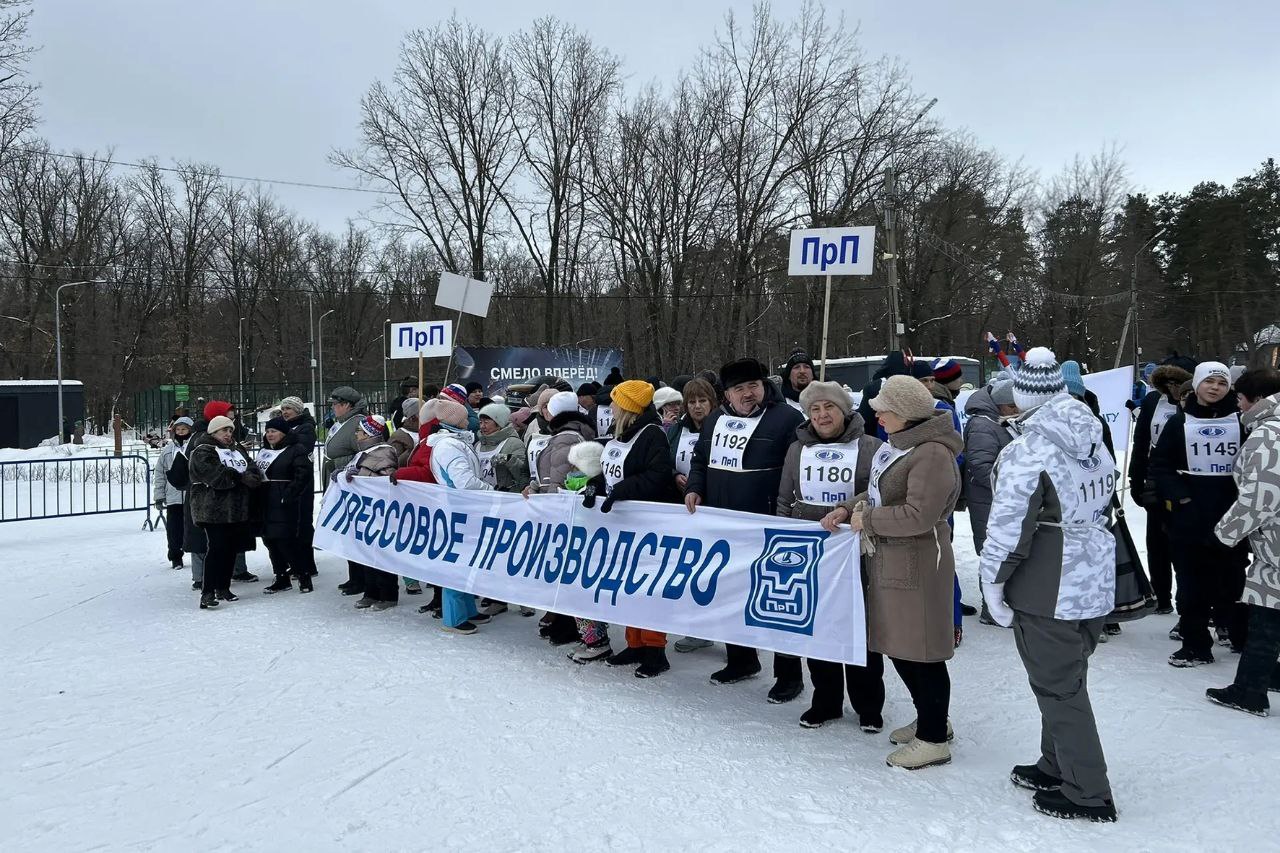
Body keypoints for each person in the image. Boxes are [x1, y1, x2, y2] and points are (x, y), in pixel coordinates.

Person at [980, 348, 1118, 822]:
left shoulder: (1028, 449)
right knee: (1065, 679)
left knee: (1060, 688)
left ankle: (1088, 791)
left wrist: (992, 584)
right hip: (1093, 577)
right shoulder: (1093, 436)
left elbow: (1007, 528)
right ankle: (1056, 762)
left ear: (1021, 395)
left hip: (1049, 581)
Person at [820, 375, 961, 769]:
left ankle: (934, 738)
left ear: (904, 412)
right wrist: (849, 508)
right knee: (903, 648)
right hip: (893, 561)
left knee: (922, 653)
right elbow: (880, 492)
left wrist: (867, 520)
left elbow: (921, 515)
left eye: (883, 410)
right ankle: (932, 719)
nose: (877, 415)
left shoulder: (931, 453)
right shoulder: (900, 446)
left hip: (917, 564)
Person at [686, 357, 805, 694]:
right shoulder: (714, 421)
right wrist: (695, 487)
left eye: (753, 385)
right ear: (727, 395)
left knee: (777, 600)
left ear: (764, 385)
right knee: (731, 594)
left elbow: (798, 468)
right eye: (740, 388)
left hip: (769, 524)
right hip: (723, 524)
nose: (749, 393)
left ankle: (789, 674)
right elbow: (700, 460)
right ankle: (741, 659)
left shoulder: (786, 418)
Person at [777, 381, 883, 730]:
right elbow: (784, 498)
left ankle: (868, 704)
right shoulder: (796, 449)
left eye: (830, 408)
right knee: (819, 625)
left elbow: (882, 489)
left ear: (845, 411)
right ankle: (825, 701)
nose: (822, 415)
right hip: (813, 550)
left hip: (856, 548)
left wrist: (849, 509)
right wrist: (784, 537)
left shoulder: (870, 447)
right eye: (815, 410)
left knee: (858, 625)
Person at [1150, 361, 1250, 665]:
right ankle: (1195, 643)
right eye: (1210, 382)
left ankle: (1237, 633)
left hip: (1232, 512)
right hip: (1190, 514)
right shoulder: (1178, 422)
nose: (1215, 388)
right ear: (1196, 386)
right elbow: (1161, 465)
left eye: (1221, 383)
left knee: (1233, 578)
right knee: (1192, 580)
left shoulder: (1243, 421)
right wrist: (1180, 498)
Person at [580, 380, 679, 673]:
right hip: (622, 524)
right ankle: (635, 644)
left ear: (628, 407)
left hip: (647, 524)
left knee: (647, 587)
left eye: (615, 401)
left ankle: (655, 650)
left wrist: (621, 491)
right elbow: (611, 472)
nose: (610, 406)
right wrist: (593, 485)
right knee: (627, 586)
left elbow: (658, 475)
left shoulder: (652, 435)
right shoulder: (619, 432)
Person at [1206, 368, 1280, 716]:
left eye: (1240, 398)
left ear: (1256, 400)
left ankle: (1249, 691)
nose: (1237, 405)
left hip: (1276, 548)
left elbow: (1261, 496)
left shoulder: (1269, 434)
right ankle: (1268, 676)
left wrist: (1224, 535)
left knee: (1267, 617)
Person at [395, 399, 495, 633]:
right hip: (456, 510)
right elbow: (464, 482)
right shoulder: (448, 445)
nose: (469, 421)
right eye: (463, 418)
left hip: (465, 510)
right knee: (456, 564)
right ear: (454, 422)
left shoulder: (455, 442)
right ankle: (454, 617)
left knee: (468, 560)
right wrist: (492, 493)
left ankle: (468, 608)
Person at [529, 390, 604, 648]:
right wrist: (534, 486)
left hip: (564, 514)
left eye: (548, 409)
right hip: (568, 512)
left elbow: (556, 479)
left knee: (569, 571)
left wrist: (548, 506)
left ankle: (577, 629)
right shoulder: (573, 433)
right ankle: (565, 623)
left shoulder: (565, 438)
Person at [1128, 359, 1194, 614]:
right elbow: (1141, 441)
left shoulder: (1193, 404)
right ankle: (1161, 596)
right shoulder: (1153, 401)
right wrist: (1136, 479)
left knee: (1183, 544)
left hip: (1185, 480)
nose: (1172, 389)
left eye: (1177, 383)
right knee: (1156, 543)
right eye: (1167, 383)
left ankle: (1188, 601)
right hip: (1155, 478)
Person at [665, 376, 719, 655]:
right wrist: (675, 475)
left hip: (715, 506)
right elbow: (665, 458)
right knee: (690, 568)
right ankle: (698, 629)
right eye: (692, 402)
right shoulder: (677, 430)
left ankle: (734, 636)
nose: (698, 407)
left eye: (703, 401)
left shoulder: (722, 424)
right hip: (682, 508)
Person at [188, 414, 264, 609]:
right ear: (213, 432)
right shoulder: (203, 450)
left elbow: (252, 467)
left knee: (231, 548)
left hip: (236, 509)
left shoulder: (236, 449)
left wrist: (251, 476)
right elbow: (216, 477)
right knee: (217, 548)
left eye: (230, 430)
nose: (228, 434)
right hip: (212, 509)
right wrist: (241, 477)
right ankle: (208, 591)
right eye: (224, 430)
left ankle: (224, 587)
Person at [962, 379, 1019, 624]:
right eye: (1012, 407)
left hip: (1000, 500)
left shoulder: (998, 421)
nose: (1016, 412)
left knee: (1006, 552)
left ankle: (1003, 604)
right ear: (999, 404)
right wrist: (1014, 487)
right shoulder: (983, 425)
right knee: (992, 552)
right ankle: (991, 609)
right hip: (988, 501)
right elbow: (980, 465)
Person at [340, 415, 401, 610]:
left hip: (380, 512)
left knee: (381, 553)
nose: (356, 434)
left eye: (359, 431)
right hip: (364, 511)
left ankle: (388, 594)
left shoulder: (384, 452)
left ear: (369, 434)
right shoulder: (364, 452)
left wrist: (357, 476)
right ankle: (371, 592)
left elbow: (385, 480)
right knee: (365, 553)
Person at [256, 416, 314, 594]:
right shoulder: (264, 450)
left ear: (283, 432)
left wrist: (289, 495)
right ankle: (281, 576)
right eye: (267, 431)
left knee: (285, 541)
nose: (269, 434)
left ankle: (303, 575)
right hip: (265, 499)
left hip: (283, 500)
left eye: (273, 431)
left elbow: (302, 474)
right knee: (270, 541)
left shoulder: (296, 449)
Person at [153, 417, 194, 569]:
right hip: (174, 497)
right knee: (174, 529)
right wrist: (159, 496)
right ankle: (175, 555)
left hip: (192, 495)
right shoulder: (168, 451)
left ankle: (200, 555)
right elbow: (160, 473)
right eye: (178, 429)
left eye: (184, 429)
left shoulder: (195, 447)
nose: (181, 432)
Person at [476, 403, 530, 493]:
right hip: (481, 495)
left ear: (499, 423)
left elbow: (523, 476)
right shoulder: (478, 445)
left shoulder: (514, 443)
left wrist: (509, 459)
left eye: (486, 422)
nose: (482, 426)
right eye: (480, 422)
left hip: (504, 498)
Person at [323, 387, 367, 487]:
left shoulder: (358, 424)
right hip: (335, 479)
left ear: (347, 405)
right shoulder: (342, 420)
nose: (332, 407)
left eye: (335, 404)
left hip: (346, 482)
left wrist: (337, 464)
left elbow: (366, 455)